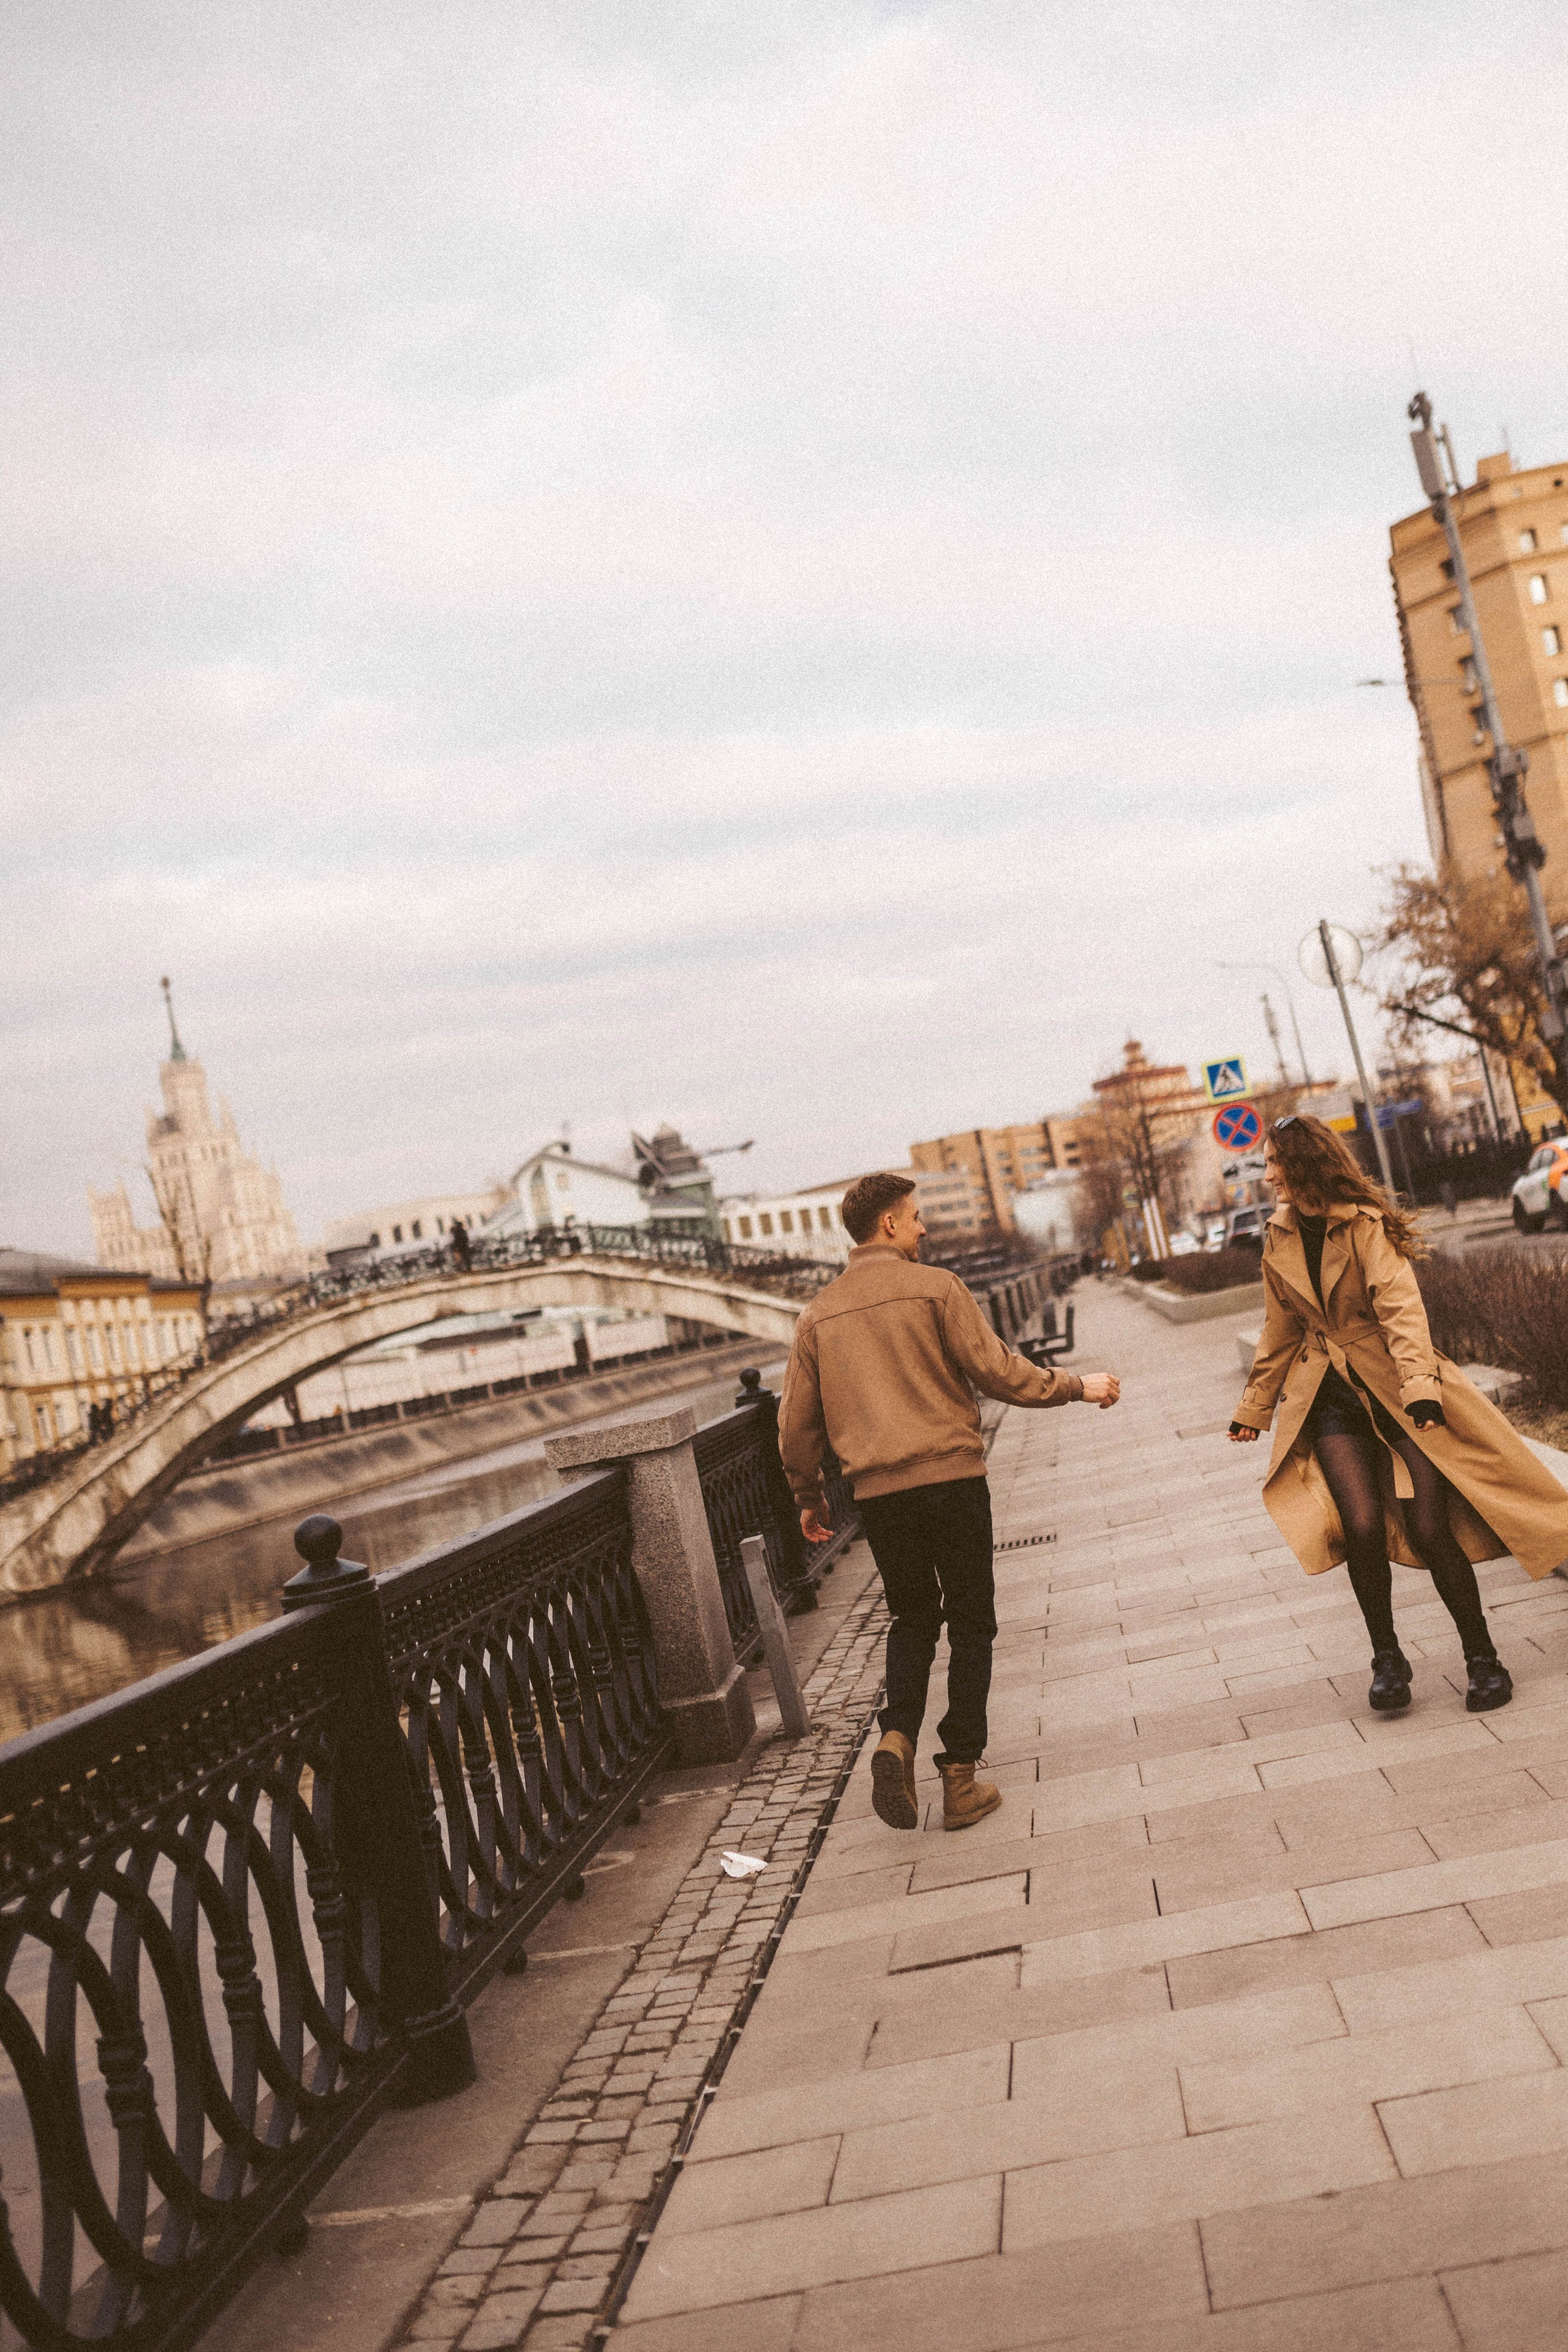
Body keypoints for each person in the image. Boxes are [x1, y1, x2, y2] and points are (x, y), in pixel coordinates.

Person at [780, 1172, 1121, 1831]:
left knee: (911, 1617)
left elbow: (796, 1426)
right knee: (971, 1622)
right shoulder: (937, 1289)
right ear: (887, 1224)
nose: (922, 1228)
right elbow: (997, 1372)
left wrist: (809, 1496)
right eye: (914, 1218)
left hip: (880, 1494)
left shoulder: (817, 1315)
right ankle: (960, 1779)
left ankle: (896, 1737)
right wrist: (1077, 1386)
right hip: (952, 1480)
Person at [1231, 1112, 1568, 1715]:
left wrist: (1419, 1389)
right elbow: (1279, 1328)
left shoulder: (1362, 1226)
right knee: (1358, 1526)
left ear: (1303, 1163)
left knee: (1428, 1527)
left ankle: (1482, 1658)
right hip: (1330, 1397)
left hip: (1394, 1389)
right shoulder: (1279, 1235)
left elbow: (1401, 1310)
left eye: (1275, 1162)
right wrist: (1254, 1406)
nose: (1268, 1174)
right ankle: (1387, 1659)